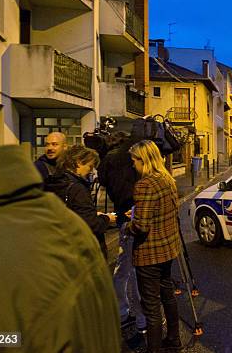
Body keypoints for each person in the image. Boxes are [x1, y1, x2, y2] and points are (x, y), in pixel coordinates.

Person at [0, 86, 120, 351]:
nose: (50, 147)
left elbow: (2, 337)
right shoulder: (64, 224)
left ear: (66, 149)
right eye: (47, 143)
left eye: (55, 144)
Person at [126, 140, 182, 352]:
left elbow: (141, 227)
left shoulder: (144, 184)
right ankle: (174, 340)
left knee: (151, 307)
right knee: (167, 296)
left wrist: (125, 226)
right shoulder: (166, 178)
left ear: (143, 160)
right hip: (168, 249)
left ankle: (155, 349)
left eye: (134, 160)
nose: (132, 165)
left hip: (150, 254)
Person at [99, 132, 147, 332]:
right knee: (137, 270)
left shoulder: (108, 160)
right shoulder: (130, 156)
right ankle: (143, 319)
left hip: (122, 214)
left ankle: (122, 312)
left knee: (123, 269)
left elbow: (102, 180)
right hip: (137, 211)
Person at [45, 145, 115, 258]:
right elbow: (92, 225)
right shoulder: (77, 188)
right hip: (82, 251)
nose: (91, 171)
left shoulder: (54, 182)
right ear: (78, 162)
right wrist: (107, 218)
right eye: (90, 166)